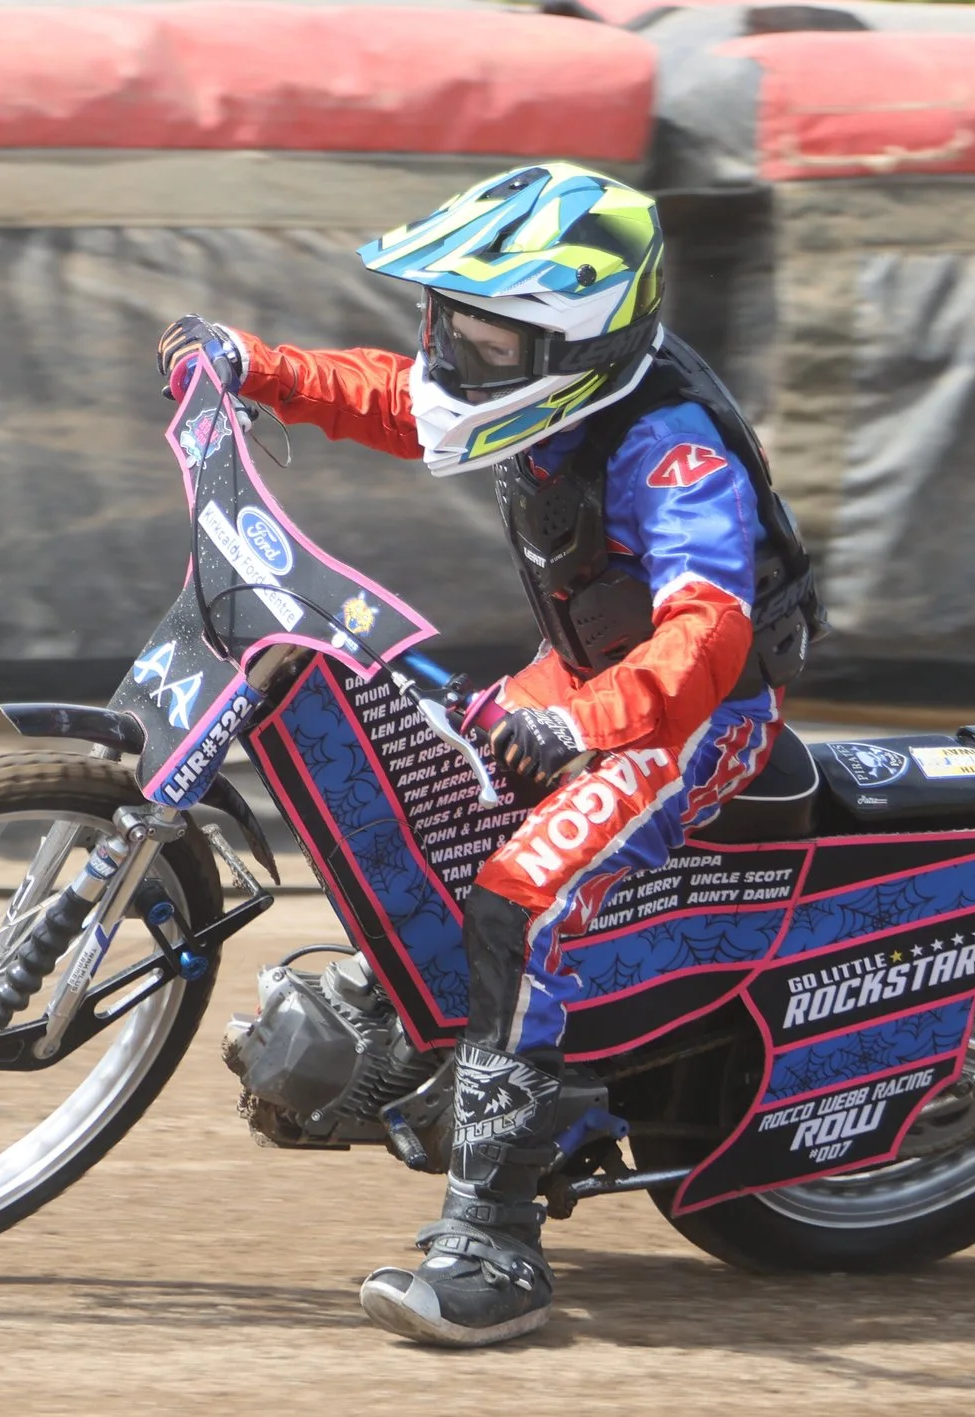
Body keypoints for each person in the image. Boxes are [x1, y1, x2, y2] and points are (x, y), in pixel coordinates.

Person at [157, 163, 821, 1347]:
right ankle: (414, 1022)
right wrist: (250, 364)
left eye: (484, 336)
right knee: (434, 791)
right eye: (445, 321)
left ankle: (495, 1244)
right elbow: (395, 397)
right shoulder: (533, 388)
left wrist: (581, 726)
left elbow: (708, 628)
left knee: (521, 892)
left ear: (572, 339)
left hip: (690, 719)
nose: (450, 352)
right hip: (577, 674)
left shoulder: (673, 451)